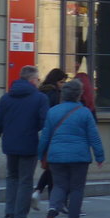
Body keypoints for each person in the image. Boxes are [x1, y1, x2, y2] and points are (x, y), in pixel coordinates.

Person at [0, 65, 50, 218]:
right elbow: (45, 123)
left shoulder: (6, 98)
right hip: (29, 144)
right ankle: (21, 217)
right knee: (25, 180)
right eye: (38, 79)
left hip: (10, 145)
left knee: (12, 178)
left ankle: (9, 213)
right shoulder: (40, 98)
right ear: (32, 80)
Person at [38, 78, 104, 218]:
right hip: (79, 157)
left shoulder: (52, 111)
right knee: (76, 188)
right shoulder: (85, 113)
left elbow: (45, 136)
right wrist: (99, 156)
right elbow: (94, 137)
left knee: (59, 185)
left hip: (56, 156)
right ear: (79, 95)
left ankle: (52, 208)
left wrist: (41, 154)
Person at [34, 68, 66, 207]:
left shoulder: (40, 92)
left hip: (43, 134)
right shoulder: (54, 95)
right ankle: (55, 203)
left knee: (50, 167)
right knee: (54, 168)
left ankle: (38, 192)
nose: (62, 85)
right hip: (54, 134)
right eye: (61, 82)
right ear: (55, 81)